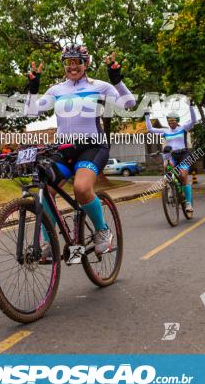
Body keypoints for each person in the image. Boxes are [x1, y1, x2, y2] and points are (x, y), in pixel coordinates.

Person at [26, 44, 136, 257]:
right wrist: (33, 89)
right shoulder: (57, 90)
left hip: (92, 146)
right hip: (64, 149)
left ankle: (102, 231)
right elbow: (31, 113)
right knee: (42, 193)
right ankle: (49, 242)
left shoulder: (100, 86)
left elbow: (129, 103)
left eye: (78, 61)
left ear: (86, 64)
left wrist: (117, 79)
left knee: (82, 188)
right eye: (69, 62)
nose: (73, 66)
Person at [145, 104, 199, 214]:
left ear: (177, 121)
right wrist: (146, 115)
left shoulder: (183, 128)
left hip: (184, 154)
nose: (171, 122)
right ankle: (170, 188)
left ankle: (188, 203)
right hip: (172, 155)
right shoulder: (166, 131)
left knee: (183, 175)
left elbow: (193, 121)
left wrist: (191, 106)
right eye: (169, 121)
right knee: (167, 167)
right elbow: (150, 129)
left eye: (173, 120)